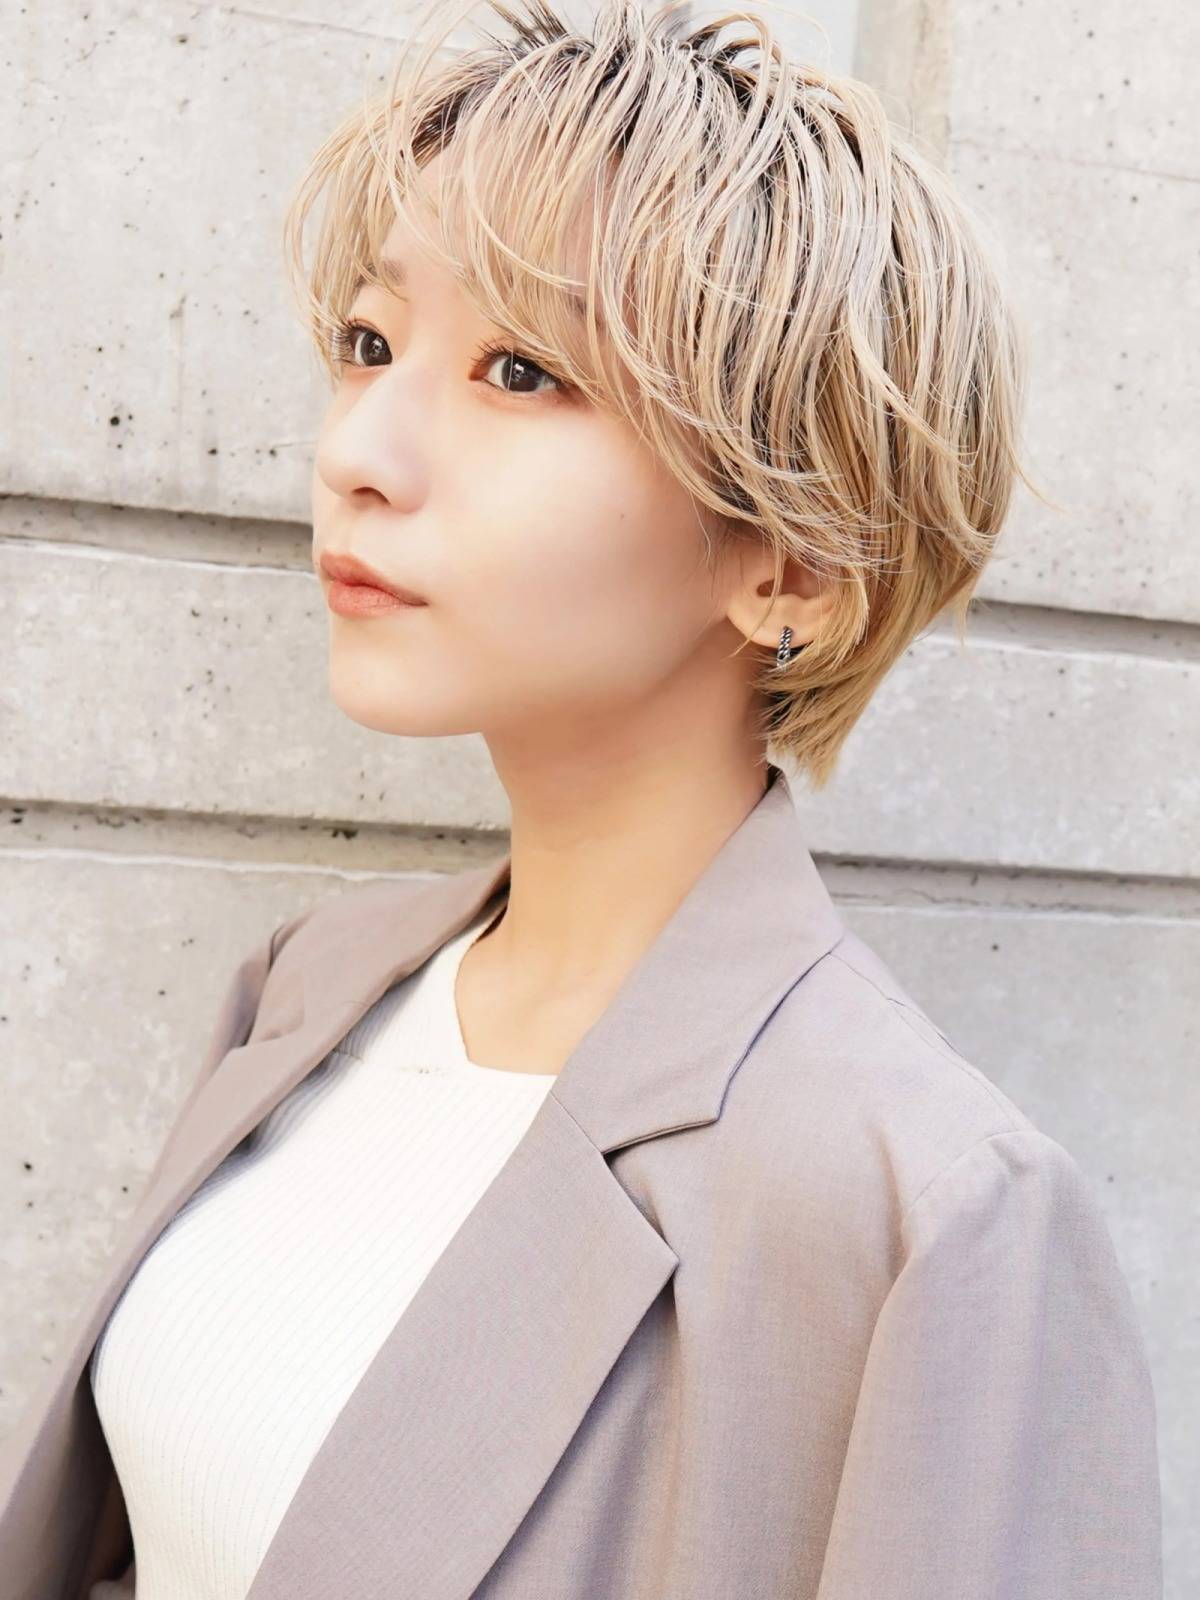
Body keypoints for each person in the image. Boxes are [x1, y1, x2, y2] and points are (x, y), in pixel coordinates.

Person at [0, 1, 1161, 1595]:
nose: (359, 450)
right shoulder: (311, 991)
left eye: (521, 371)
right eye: (370, 342)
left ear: (792, 561)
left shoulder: (929, 1218)